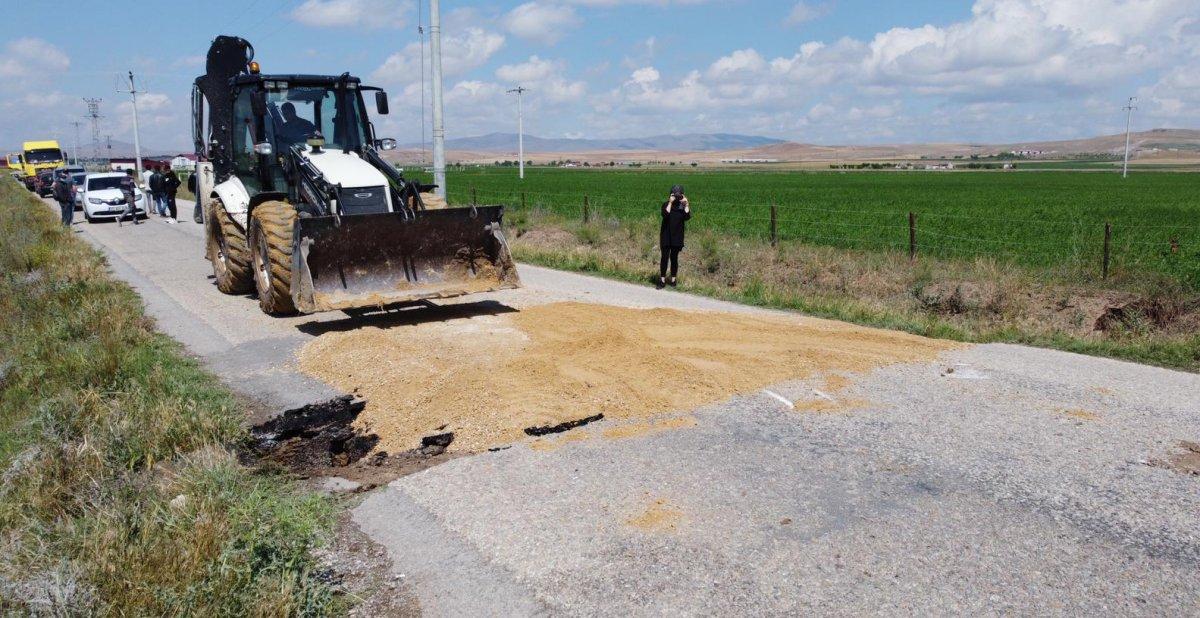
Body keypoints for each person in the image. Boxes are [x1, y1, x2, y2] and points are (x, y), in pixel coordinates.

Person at [658, 184, 691, 288]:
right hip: (666, 235)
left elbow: (687, 217)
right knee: (664, 257)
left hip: (677, 236)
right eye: (674, 195)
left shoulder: (682, 206)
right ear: (670, 195)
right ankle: (662, 280)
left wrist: (686, 205)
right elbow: (665, 214)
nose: (677, 197)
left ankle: (673, 280)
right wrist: (670, 202)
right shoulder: (666, 205)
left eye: (679, 195)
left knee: (674, 258)